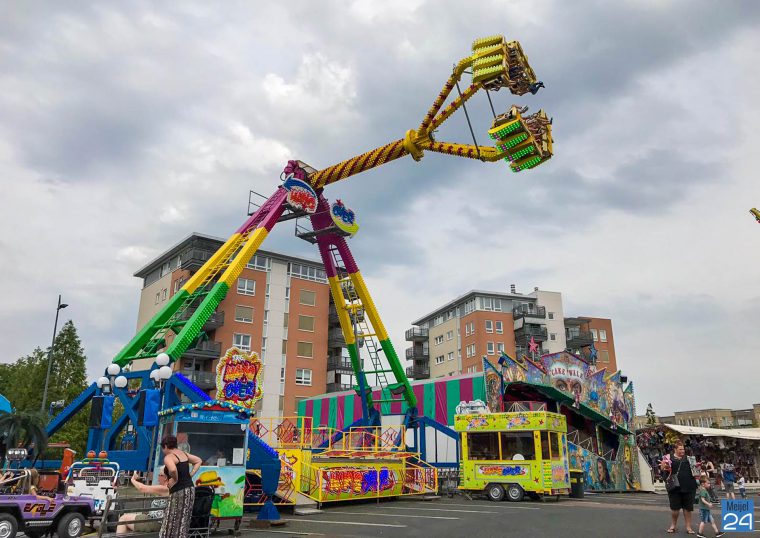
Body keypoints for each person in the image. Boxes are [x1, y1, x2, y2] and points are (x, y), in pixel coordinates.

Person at [160, 435, 202, 538]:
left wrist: (174, 479)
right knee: (183, 518)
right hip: (190, 489)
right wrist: (191, 474)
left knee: (172, 518)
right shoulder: (183, 454)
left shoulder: (169, 457)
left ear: (165, 446)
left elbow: (173, 470)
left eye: (162, 448)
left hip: (178, 491)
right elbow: (198, 460)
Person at [660, 440, 699, 534]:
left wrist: (698, 469)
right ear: (675, 449)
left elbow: (696, 472)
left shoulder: (690, 458)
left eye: (683, 449)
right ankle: (673, 525)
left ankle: (688, 527)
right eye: (680, 449)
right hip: (674, 488)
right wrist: (663, 465)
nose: (683, 451)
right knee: (675, 510)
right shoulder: (668, 458)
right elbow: (663, 470)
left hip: (689, 486)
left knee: (688, 509)